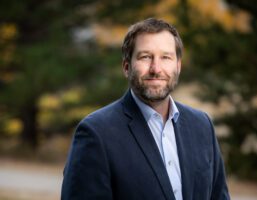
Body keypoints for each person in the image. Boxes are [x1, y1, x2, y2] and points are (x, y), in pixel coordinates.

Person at [61, 18, 230, 200]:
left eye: (166, 57)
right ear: (127, 67)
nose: (155, 69)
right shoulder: (96, 133)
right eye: (145, 57)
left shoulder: (202, 125)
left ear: (178, 66)